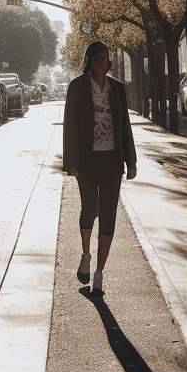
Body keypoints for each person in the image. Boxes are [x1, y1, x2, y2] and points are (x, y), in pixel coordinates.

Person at [62, 40, 137, 298]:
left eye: (106, 59)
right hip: (88, 160)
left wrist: (131, 160)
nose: (103, 63)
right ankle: (86, 255)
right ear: (90, 62)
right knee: (89, 210)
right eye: (98, 59)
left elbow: (124, 124)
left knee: (109, 215)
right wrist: (71, 164)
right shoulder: (78, 86)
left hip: (112, 161)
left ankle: (99, 275)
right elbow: (70, 124)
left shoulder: (117, 88)